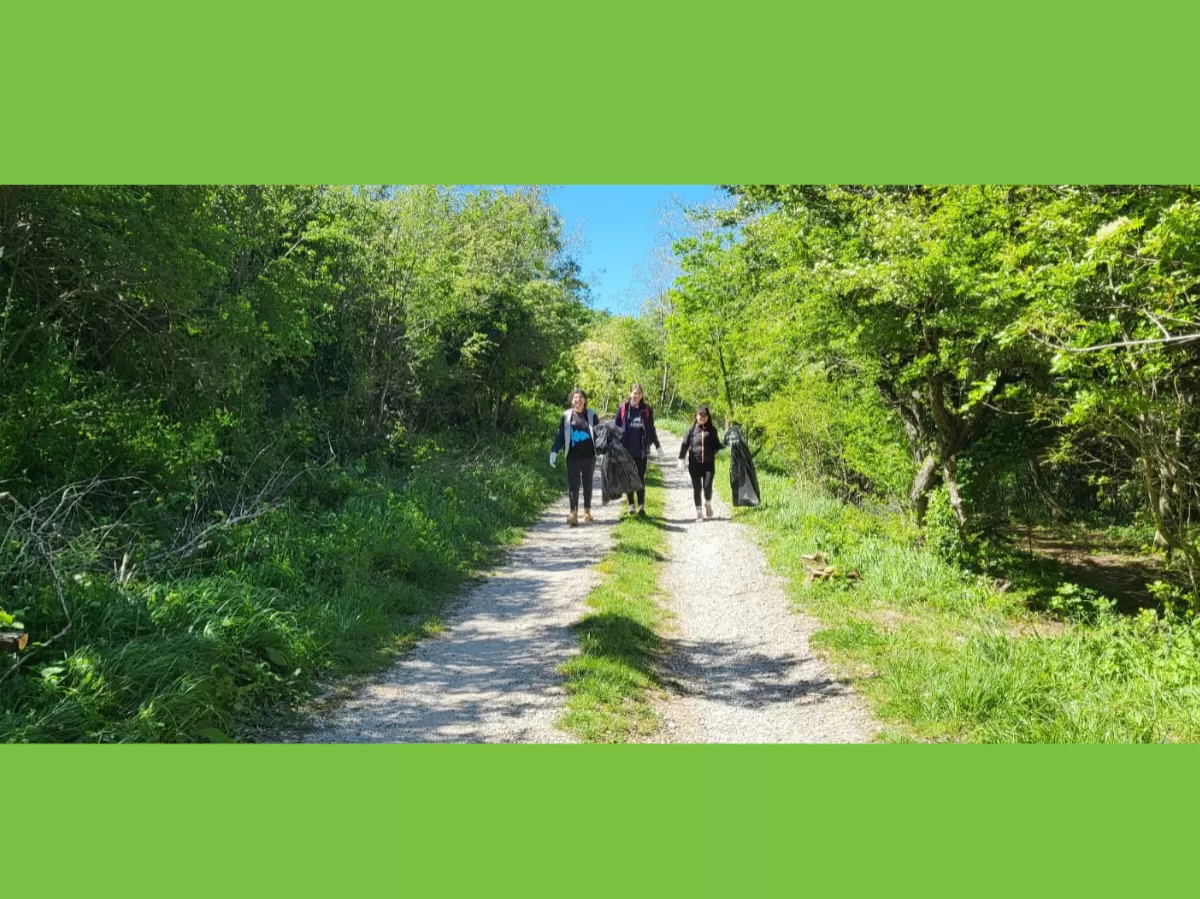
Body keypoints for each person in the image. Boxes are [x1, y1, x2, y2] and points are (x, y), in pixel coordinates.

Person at [550, 387, 598, 526]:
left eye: (581, 397)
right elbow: (560, 436)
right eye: (576, 397)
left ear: (585, 400)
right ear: (572, 401)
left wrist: (605, 448)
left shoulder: (591, 415)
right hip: (572, 457)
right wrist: (554, 451)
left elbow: (599, 434)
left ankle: (587, 511)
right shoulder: (566, 416)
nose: (578, 399)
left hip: (589, 456)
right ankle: (573, 513)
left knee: (588, 484)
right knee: (573, 485)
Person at [613, 382, 661, 516]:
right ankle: (630, 505)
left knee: (640, 477)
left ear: (642, 395)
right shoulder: (623, 408)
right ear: (630, 393)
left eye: (639, 393)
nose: (636, 395)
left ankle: (641, 506)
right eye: (634, 393)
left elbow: (651, 428)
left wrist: (657, 445)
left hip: (641, 450)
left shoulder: (646, 410)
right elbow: (615, 427)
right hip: (626, 449)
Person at [677, 404, 723, 523]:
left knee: (707, 486)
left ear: (708, 416)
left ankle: (707, 503)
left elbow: (717, 446)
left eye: (705, 415)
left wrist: (725, 445)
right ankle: (699, 513)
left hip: (708, 464)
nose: (702, 417)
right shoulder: (691, 430)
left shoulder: (712, 430)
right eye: (700, 415)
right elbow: (685, 445)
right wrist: (681, 459)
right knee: (697, 488)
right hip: (694, 464)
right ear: (696, 416)